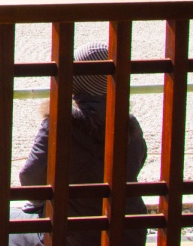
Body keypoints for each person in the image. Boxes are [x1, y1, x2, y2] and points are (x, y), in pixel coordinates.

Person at [10, 42, 148, 246]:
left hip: (72, 236)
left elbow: (30, 178)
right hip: (128, 233)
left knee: (6, 221)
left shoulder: (60, 122)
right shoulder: (129, 124)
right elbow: (136, 164)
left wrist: (40, 204)